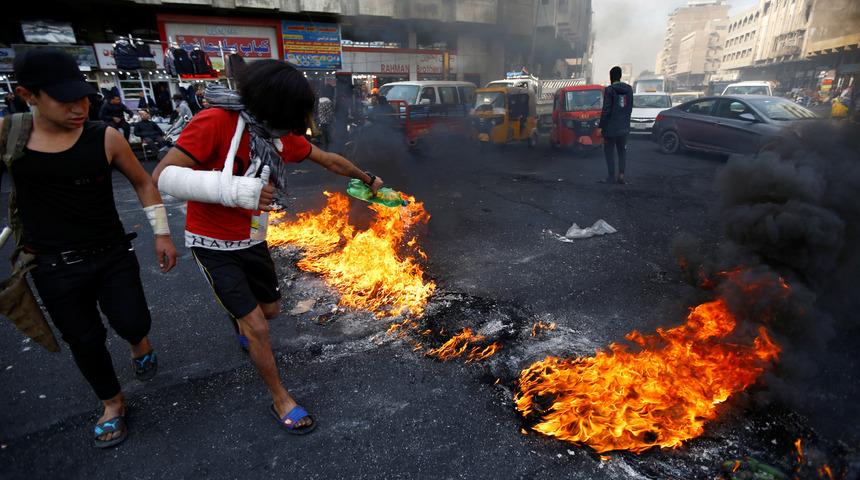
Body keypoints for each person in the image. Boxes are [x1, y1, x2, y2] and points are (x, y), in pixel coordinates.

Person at [153, 59, 384, 434]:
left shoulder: (274, 136)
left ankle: (239, 314)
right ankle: (281, 399)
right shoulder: (215, 122)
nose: (298, 125)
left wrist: (367, 177)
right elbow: (163, 175)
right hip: (212, 244)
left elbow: (327, 160)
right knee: (258, 328)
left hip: (252, 239)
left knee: (271, 311)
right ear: (273, 104)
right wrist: (236, 190)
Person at [3, 48, 177, 448]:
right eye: (66, 101)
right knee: (84, 340)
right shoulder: (9, 135)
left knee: (133, 321)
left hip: (111, 253)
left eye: (83, 97)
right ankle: (112, 404)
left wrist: (162, 233)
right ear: (29, 94)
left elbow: (144, 181)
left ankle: (140, 344)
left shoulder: (106, 137)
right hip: (52, 265)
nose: (80, 107)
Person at [598, 66, 633, 184]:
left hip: (610, 129)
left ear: (611, 77)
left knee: (609, 152)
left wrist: (601, 126)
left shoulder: (609, 90)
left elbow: (606, 110)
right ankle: (621, 176)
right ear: (620, 76)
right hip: (624, 128)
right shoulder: (629, 89)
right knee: (622, 151)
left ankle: (611, 176)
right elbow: (629, 109)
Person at [315, 86, 334, 150]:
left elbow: (317, 112)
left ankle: (323, 150)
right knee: (328, 138)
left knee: (323, 137)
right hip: (327, 123)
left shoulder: (319, 101)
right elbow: (329, 114)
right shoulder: (328, 102)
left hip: (320, 121)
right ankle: (327, 151)